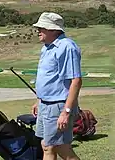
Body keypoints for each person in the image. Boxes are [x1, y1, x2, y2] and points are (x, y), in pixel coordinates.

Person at [30, 12, 83, 160]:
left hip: (58, 105)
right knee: (47, 145)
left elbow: (76, 81)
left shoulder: (67, 47)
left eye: (42, 28)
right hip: (45, 104)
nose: (38, 31)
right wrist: (39, 100)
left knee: (56, 147)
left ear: (53, 29)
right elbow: (50, 78)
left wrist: (66, 112)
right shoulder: (47, 47)